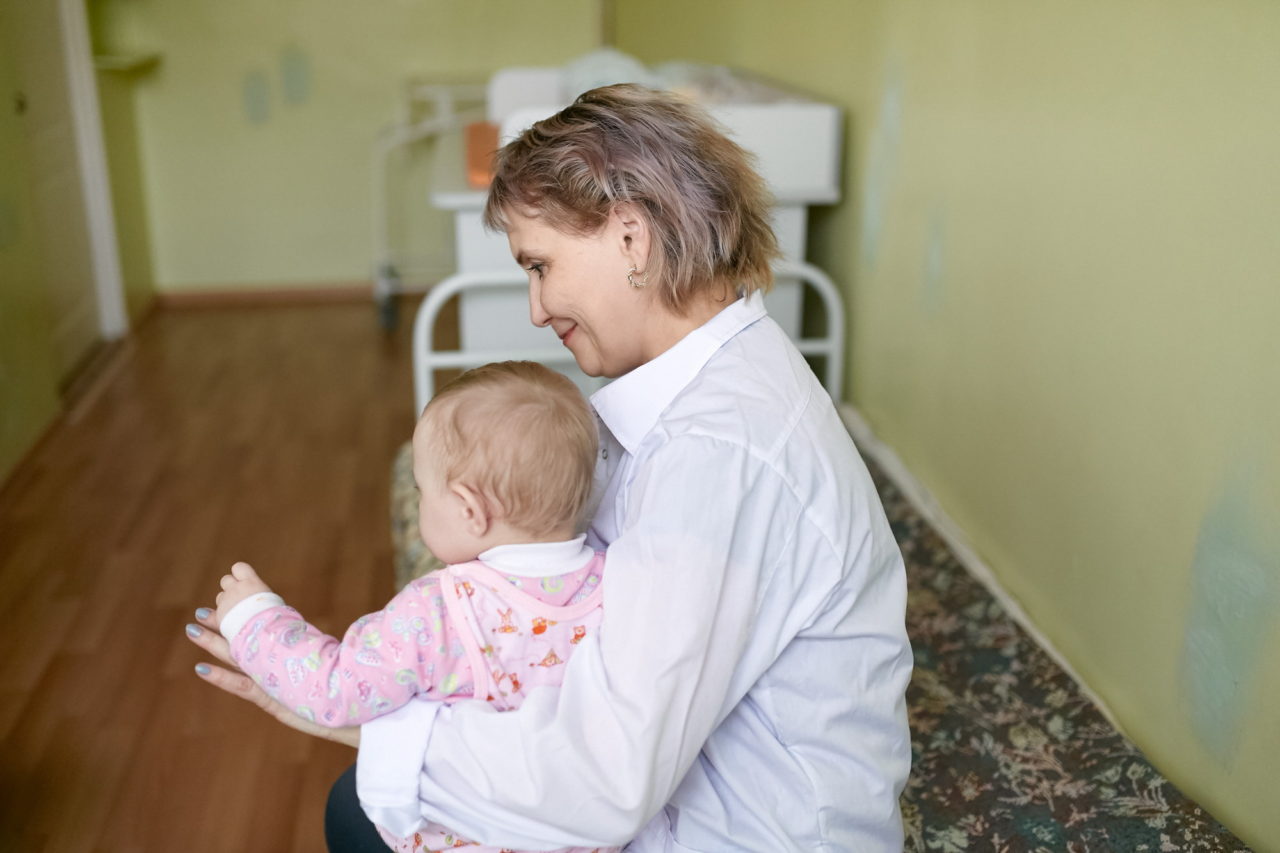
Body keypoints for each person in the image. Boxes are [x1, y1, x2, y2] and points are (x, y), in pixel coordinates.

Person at [188, 83, 913, 851]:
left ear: (631, 237)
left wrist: (363, 719)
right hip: (681, 787)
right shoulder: (707, 389)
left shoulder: (719, 451)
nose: (535, 309)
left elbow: (606, 781)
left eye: (540, 265)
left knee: (358, 814)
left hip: (743, 830)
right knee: (359, 806)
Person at [205, 361, 616, 853]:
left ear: (469, 510)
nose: (419, 502)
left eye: (422, 491)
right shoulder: (617, 584)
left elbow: (335, 689)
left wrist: (254, 618)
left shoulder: (437, 611)